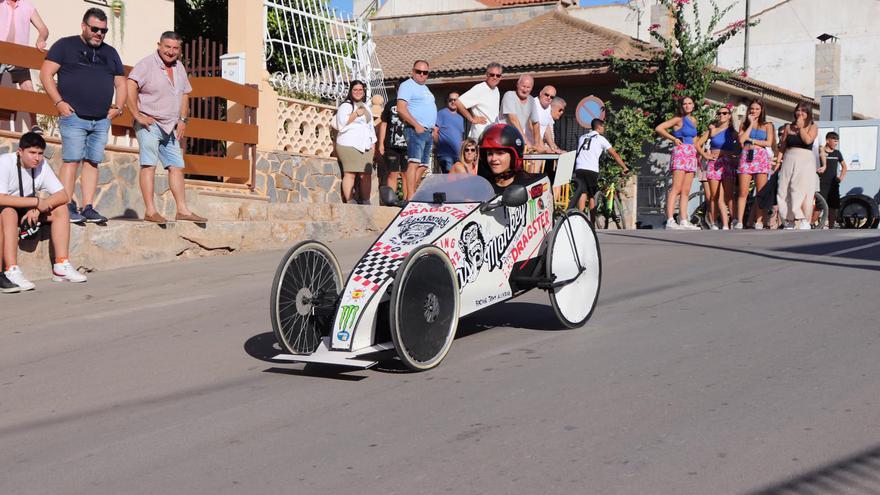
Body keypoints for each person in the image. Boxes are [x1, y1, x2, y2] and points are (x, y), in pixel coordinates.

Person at [40, 8, 126, 224]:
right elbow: (45, 73)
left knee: (92, 162)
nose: (99, 33)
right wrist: (59, 103)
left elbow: (121, 82)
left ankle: (88, 207)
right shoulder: (65, 46)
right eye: (95, 29)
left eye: (103, 30)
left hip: (101, 119)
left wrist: (119, 107)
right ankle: (65, 206)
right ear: (84, 26)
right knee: (71, 161)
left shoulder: (111, 53)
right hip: (74, 117)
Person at [127, 31, 206, 224]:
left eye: (175, 48)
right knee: (149, 165)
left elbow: (185, 93)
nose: (170, 51)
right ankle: (150, 211)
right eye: (167, 47)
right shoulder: (146, 64)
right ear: (159, 45)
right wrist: (137, 114)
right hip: (150, 123)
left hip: (170, 126)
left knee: (177, 167)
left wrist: (183, 120)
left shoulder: (179, 67)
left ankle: (182, 210)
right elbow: (130, 84)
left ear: (179, 50)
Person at [0, 132, 87, 290]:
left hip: (28, 208)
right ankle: (11, 270)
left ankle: (61, 266)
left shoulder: (41, 165)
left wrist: (41, 205)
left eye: (40, 153)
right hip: (6, 208)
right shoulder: (5, 162)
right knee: (9, 212)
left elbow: (63, 195)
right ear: (20, 151)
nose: (37, 158)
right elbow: (1, 198)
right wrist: (36, 201)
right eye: (32, 153)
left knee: (61, 209)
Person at [0, 0, 48, 131]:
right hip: (0, 51)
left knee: (28, 87)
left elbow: (43, 29)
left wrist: (41, 39)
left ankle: (34, 124)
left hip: (18, 56)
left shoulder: (27, 6)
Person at [656, 96, 700, 230]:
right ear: (681, 106)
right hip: (681, 152)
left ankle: (683, 220)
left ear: (693, 105)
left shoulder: (693, 120)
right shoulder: (678, 119)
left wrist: (701, 154)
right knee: (676, 187)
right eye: (685, 104)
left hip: (691, 154)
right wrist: (673, 138)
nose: (687, 106)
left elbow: (695, 139)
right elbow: (659, 128)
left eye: (690, 103)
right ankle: (670, 220)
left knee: (686, 190)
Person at [573, 118, 629, 223]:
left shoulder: (582, 137)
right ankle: (592, 223)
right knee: (592, 196)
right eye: (603, 126)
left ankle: (579, 220)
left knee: (582, 193)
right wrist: (624, 167)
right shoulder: (601, 139)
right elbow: (615, 155)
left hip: (579, 168)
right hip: (591, 169)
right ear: (598, 127)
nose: (604, 128)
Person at [396, 60, 437, 199]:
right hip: (416, 130)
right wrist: (416, 125)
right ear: (413, 71)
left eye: (425, 72)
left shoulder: (425, 88)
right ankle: (410, 197)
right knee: (414, 162)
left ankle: (411, 194)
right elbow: (401, 108)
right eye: (418, 71)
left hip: (428, 131)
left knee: (424, 165)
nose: (421, 75)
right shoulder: (407, 85)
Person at [695, 106, 739, 229]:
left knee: (729, 195)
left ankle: (734, 221)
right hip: (714, 163)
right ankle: (714, 222)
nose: (721, 115)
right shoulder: (712, 130)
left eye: (724, 113)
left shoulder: (733, 133)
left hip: (728, 164)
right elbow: (697, 144)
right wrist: (705, 155)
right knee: (714, 196)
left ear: (729, 116)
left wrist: (730, 154)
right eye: (719, 113)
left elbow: (741, 148)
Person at [777, 102, 819, 230]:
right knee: (783, 190)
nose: (800, 113)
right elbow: (783, 147)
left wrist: (801, 128)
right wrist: (778, 162)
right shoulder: (788, 127)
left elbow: (808, 140)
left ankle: (803, 219)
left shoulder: (813, 126)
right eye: (798, 110)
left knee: (800, 190)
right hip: (789, 158)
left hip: (805, 160)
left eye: (803, 111)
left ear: (808, 113)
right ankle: (788, 219)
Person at [735, 100, 775, 229]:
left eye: (757, 109)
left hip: (761, 158)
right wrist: (751, 124)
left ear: (762, 110)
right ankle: (740, 221)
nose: (754, 111)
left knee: (760, 191)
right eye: (752, 109)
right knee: (743, 191)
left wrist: (752, 140)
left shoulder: (767, 125)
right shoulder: (744, 125)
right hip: (746, 156)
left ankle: (759, 220)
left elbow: (769, 142)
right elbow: (741, 140)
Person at [335, 80, 376, 204]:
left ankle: (366, 201)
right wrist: (355, 114)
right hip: (349, 144)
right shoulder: (346, 106)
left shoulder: (366, 107)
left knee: (366, 174)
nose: (358, 92)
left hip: (365, 145)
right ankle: (350, 200)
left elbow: (370, 126)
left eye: (360, 90)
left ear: (363, 92)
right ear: (351, 91)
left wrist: (373, 143)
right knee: (350, 172)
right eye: (355, 90)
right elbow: (341, 124)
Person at [477, 123, 535, 195]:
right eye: (490, 154)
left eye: (500, 153)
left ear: (513, 156)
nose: (493, 158)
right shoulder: (484, 187)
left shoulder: (528, 185)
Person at [456, 63, 503, 140]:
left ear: (501, 77)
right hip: (480, 135)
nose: (495, 77)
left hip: (491, 133)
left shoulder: (496, 89)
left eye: (498, 75)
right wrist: (472, 119)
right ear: (487, 75)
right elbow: (458, 103)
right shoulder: (479, 88)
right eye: (492, 75)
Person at [378, 84, 408, 201]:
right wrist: (381, 144)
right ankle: (391, 201)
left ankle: (407, 201)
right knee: (393, 173)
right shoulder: (390, 104)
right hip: (391, 145)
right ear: (396, 89)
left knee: (406, 174)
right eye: (399, 89)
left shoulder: (414, 105)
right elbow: (384, 124)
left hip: (408, 146)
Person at [815, 131, 847, 228]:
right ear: (828, 141)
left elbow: (844, 167)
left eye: (837, 141)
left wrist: (840, 178)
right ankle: (812, 225)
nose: (836, 143)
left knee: (833, 207)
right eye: (834, 141)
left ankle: (831, 227)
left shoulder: (837, 153)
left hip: (833, 184)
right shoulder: (820, 152)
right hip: (822, 183)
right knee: (819, 206)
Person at [500, 75, 538, 147]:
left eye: (528, 87)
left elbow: (535, 123)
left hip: (516, 137)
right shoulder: (509, 95)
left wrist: (538, 143)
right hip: (503, 136)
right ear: (517, 85)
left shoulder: (531, 100)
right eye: (523, 86)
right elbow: (513, 119)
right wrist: (525, 139)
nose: (525, 90)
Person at [433, 92, 464, 173]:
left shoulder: (461, 118)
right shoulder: (442, 113)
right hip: (445, 154)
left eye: (455, 100)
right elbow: (434, 132)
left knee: (458, 180)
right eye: (451, 100)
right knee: (448, 178)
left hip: (458, 155)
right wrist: (440, 145)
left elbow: (460, 137)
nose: (453, 102)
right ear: (447, 101)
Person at [531, 85, 556, 152]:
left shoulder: (549, 107)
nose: (549, 98)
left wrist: (553, 147)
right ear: (541, 93)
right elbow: (533, 127)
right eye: (547, 95)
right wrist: (542, 146)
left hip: (538, 146)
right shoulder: (533, 103)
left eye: (552, 97)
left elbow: (546, 128)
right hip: (529, 146)